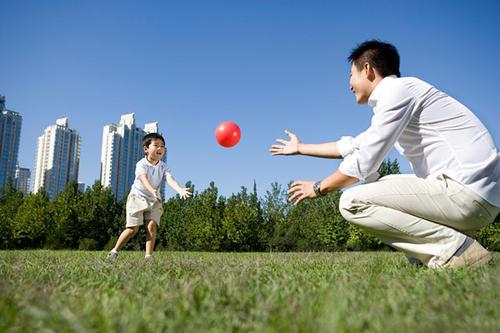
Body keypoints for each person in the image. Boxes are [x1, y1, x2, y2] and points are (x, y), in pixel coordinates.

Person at [270, 40, 500, 269]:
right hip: (477, 196)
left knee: (352, 201)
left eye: (351, 75)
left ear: (367, 69)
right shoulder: (401, 98)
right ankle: (426, 258)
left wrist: (319, 187)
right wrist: (300, 148)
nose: (349, 84)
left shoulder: (397, 92)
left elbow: (364, 162)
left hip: (467, 193)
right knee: (383, 182)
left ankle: (455, 251)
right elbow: (350, 146)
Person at [107, 133, 191, 262]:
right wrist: (152, 190)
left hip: (154, 199)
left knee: (152, 225)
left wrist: (179, 189)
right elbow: (143, 178)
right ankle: (114, 251)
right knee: (132, 229)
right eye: (156, 145)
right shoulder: (141, 164)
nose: (160, 148)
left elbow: (170, 179)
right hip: (137, 197)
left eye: (162, 146)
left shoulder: (163, 166)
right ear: (146, 149)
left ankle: (148, 257)